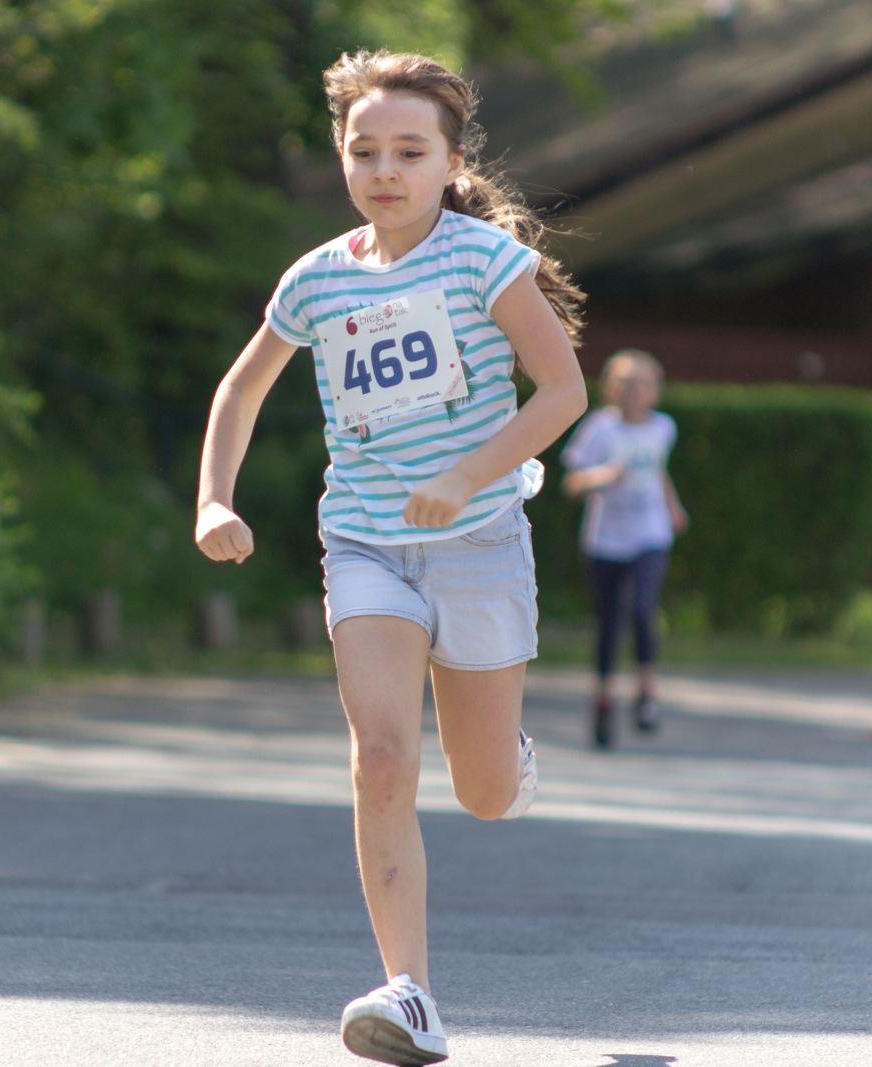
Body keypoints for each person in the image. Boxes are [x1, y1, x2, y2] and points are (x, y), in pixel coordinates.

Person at [194, 51, 586, 1067]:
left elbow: (560, 393)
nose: (383, 169)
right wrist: (212, 499)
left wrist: (463, 475)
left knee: (484, 789)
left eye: (409, 151)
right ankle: (410, 994)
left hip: (479, 539)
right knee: (378, 757)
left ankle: (507, 759)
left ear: (449, 161)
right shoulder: (317, 277)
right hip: (366, 538)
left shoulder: (480, 260)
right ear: (341, 157)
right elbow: (240, 391)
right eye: (363, 150)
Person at [561, 349, 688, 749]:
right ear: (612, 389)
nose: (636, 392)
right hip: (606, 540)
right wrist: (603, 476)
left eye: (644, 384)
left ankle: (647, 693)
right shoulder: (600, 429)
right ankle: (603, 700)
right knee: (610, 621)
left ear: (656, 391)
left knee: (643, 609)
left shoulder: (663, 428)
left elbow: (658, 470)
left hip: (650, 533)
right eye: (627, 384)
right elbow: (572, 483)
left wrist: (672, 505)